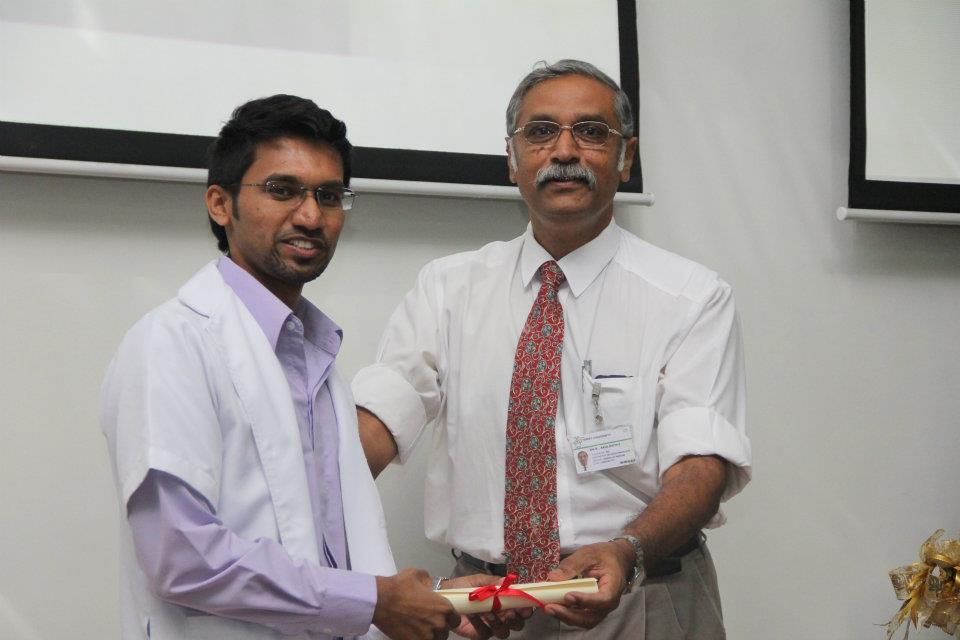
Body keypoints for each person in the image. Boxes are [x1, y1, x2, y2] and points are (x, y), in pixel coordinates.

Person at [352, 60, 752, 639]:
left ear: (626, 158)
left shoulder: (691, 297)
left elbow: (702, 465)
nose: (564, 151)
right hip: (487, 608)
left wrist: (628, 550)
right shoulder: (447, 289)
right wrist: (296, 513)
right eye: (540, 132)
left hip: (642, 596)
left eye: (590, 132)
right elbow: (378, 424)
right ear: (512, 158)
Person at [100, 94, 509, 640]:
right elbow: (181, 557)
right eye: (282, 190)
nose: (312, 216)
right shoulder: (172, 344)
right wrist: (375, 602)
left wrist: (433, 601)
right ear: (220, 204)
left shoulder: (315, 359)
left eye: (329, 195)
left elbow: (318, 549)